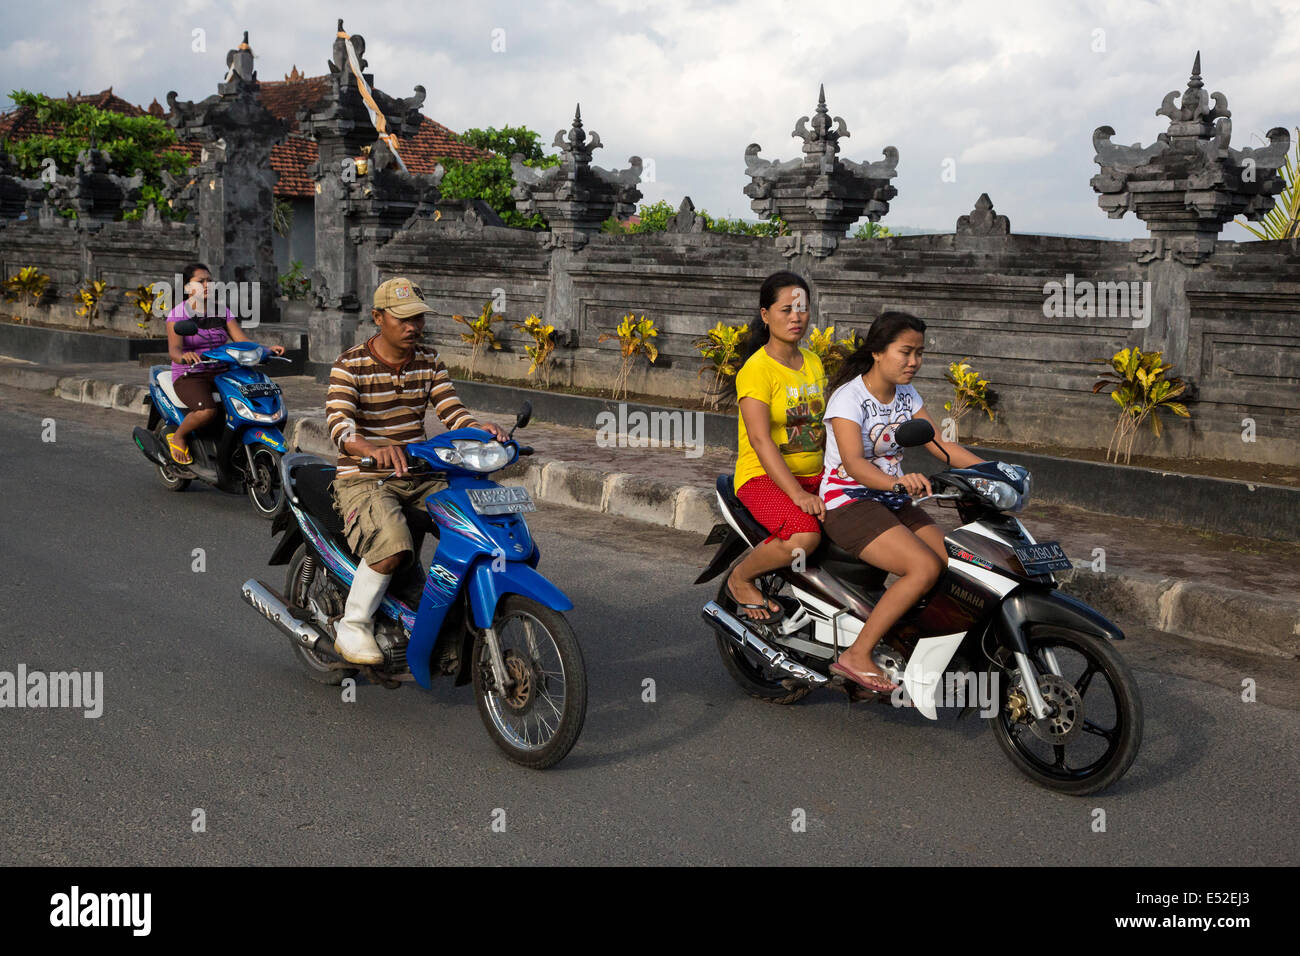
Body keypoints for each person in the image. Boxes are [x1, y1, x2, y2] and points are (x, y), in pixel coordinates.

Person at [325, 277, 508, 665]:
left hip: (420, 473)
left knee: (475, 529)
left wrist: (480, 430)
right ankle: (354, 624)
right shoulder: (349, 364)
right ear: (378, 318)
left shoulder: (429, 360)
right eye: (404, 319)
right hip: (365, 476)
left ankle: (445, 619)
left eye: (419, 319)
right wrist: (371, 449)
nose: (414, 327)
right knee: (393, 545)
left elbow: (451, 410)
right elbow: (340, 425)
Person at [820, 311, 986, 693]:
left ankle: (908, 643)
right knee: (923, 568)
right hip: (847, 501)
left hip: (891, 500)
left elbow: (940, 445)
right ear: (878, 351)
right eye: (906, 352)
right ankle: (857, 656)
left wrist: (995, 470)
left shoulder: (907, 394)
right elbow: (855, 465)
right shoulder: (849, 398)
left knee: (953, 564)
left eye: (920, 353)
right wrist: (897, 482)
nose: (914, 362)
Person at [726, 271, 827, 623]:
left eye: (802, 309)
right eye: (786, 310)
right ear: (765, 315)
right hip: (762, 479)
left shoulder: (813, 362)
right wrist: (797, 493)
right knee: (803, 538)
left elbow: (822, 426)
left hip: (818, 476)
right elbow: (759, 439)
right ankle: (740, 579)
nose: (796, 317)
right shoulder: (757, 371)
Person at [165, 262, 285, 464]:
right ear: (187, 288)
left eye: (209, 281)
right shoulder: (178, 314)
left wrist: (265, 350)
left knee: (252, 401)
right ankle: (178, 436)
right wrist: (184, 357)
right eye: (200, 281)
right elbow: (174, 349)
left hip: (223, 372)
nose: (206, 285)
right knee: (207, 411)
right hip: (191, 374)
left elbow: (242, 341)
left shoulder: (222, 312)